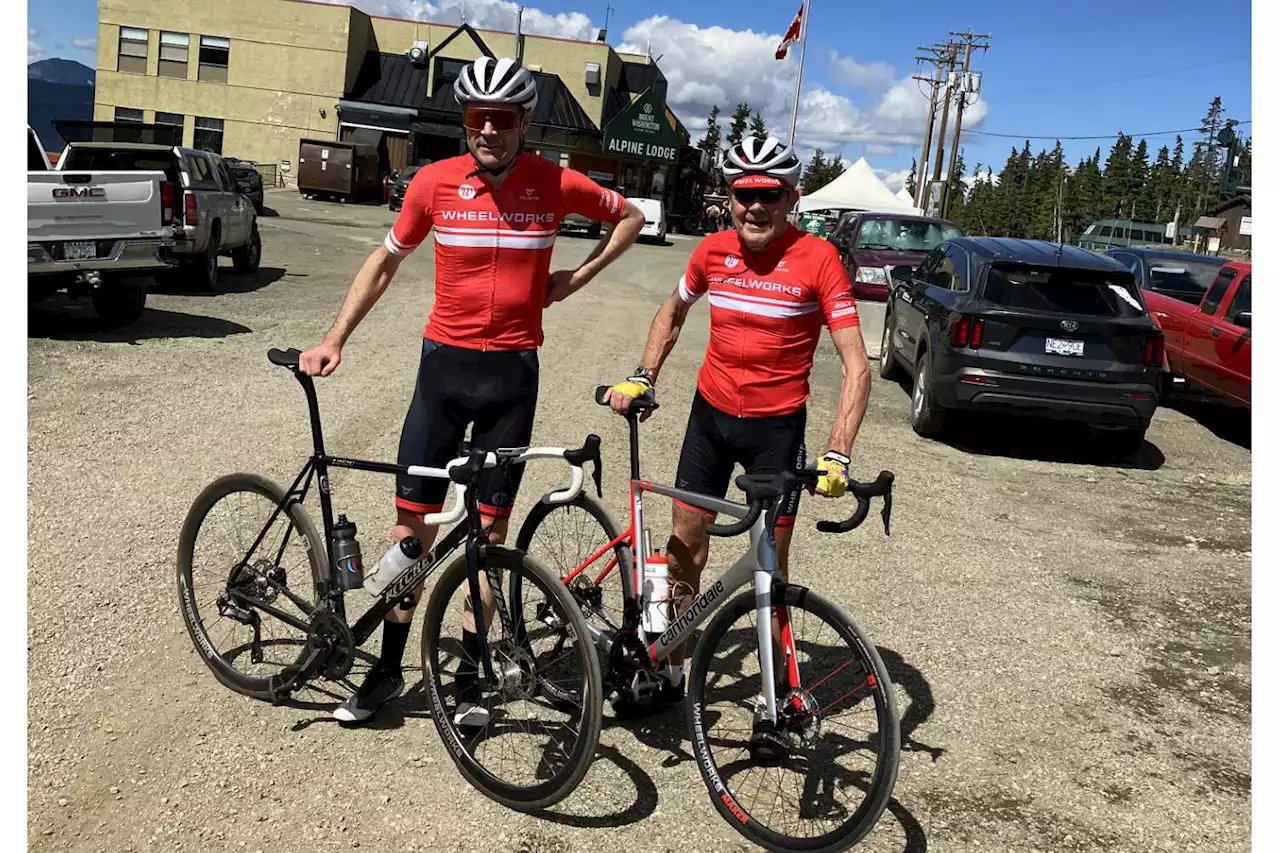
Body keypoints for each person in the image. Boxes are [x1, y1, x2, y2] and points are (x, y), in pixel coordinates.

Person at [299, 56, 645, 724]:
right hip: (444, 375)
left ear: (524, 123)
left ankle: (466, 674)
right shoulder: (432, 182)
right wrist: (335, 335)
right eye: (477, 118)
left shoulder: (553, 182)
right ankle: (385, 670)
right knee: (414, 531)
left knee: (488, 538)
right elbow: (385, 262)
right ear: (465, 121)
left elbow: (627, 216)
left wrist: (579, 276)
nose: (488, 130)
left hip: (512, 379)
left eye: (502, 119)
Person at [603, 135, 872, 711]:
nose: (755, 205)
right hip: (711, 419)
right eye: (744, 192)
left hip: (777, 430)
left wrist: (838, 450)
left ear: (791, 198)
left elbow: (856, 364)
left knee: (770, 572)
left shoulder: (819, 259)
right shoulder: (712, 250)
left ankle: (774, 704)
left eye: (769, 194)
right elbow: (673, 312)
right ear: (729, 197)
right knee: (684, 549)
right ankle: (669, 667)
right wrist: (643, 374)